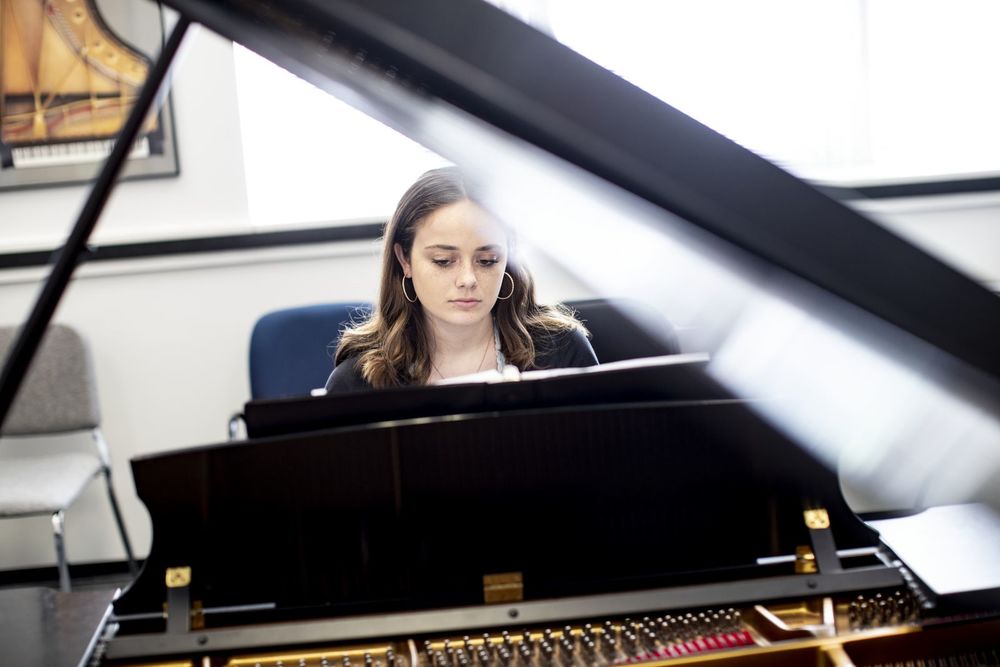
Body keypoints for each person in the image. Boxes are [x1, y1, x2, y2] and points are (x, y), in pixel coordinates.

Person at [325, 167, 597, 392]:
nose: (468, 279)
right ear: (404, 259)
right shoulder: (357, 381)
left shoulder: (561, 352)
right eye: (443, 261)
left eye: (487, 260)